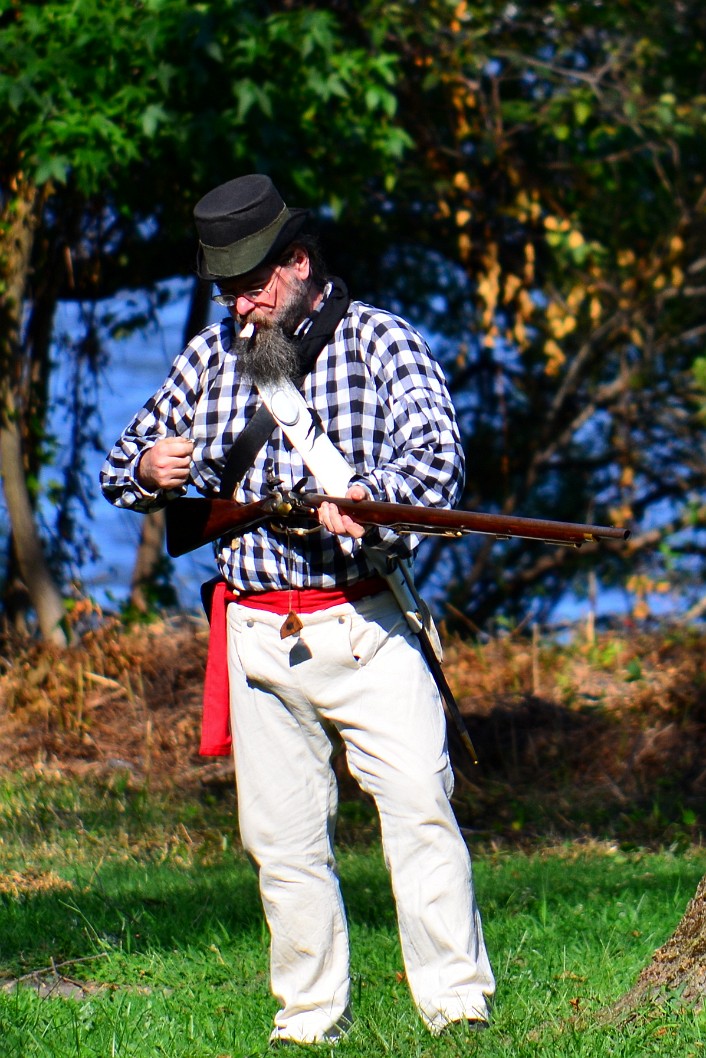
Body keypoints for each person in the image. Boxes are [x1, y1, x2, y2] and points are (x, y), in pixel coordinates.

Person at [100, 174, 495, 1046]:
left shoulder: (382, 343)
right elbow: (123, 464)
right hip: (255, 630)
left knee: (421, 812)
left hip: (364, 622)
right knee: (280, 842)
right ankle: (309, 1016)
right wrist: (151, 470)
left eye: (253, 282)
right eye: (228, 288)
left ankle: (459, 1005)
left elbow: (437, 468)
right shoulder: (208, 360)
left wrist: (366, 495)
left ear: (299, 264)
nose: (240, 303)